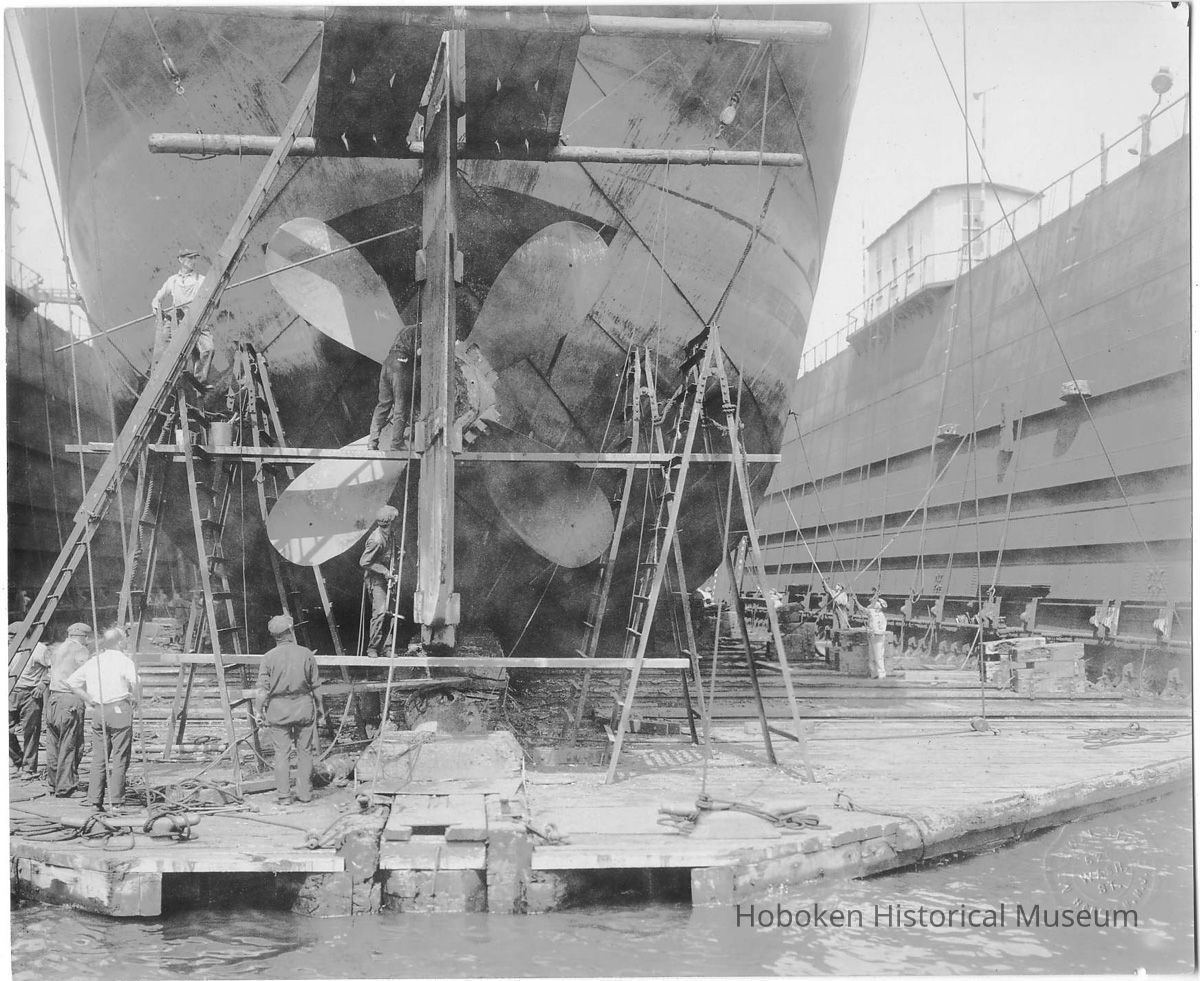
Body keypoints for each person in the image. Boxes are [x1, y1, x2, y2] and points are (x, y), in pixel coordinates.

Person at [65, 627, 140, 812]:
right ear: (120, 642)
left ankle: (95, 800)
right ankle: (116, 801)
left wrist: (89, 699)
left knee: (99, 757)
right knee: (120, 756)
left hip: (99, 711)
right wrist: (136, 699)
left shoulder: (94, 661)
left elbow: (72, 682)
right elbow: (137, 682)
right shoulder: (124, 661)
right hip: (118, 710)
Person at [254, 614, 324, 806]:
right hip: (303, 707)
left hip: (278, 710)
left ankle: (284, 796)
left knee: (281, 753)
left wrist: (258, 712)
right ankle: (304, 794)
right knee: (305, 752)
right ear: (290, 631)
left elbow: (262, 690)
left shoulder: (268, 657)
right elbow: (316, 686)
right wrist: (320, 709)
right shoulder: (306, 654)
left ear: (274, 636)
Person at [44, 623, 94, 797]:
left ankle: (53, 783)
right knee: (70, 744)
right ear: (84, 637)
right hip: (70, 700)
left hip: (53, 699)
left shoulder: (57, 649)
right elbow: (87, 673)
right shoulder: (80, 650)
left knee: (54, 744)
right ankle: (66, 787)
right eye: (88, 638)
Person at [151, 247, 213, 387]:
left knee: (208, 348)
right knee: (166, 345)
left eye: (194, 258)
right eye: (189, 258)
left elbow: (212, 298)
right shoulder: (172, 281)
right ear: (181, 260)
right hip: (178, 321)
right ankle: (161, 378)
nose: (193, 261)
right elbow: (157, 299)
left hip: (198, 318)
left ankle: (200, 379)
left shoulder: (201, 280)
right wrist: (157, 310)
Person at [8, 622, 51, 778]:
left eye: (11, 636)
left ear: (24, 634)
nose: (8, 639)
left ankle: (28, 768)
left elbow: (52, 668)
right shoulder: (8, 648)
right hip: (10, 692)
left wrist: (43, 683)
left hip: (30, 694)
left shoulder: (39, 649)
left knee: (30, 731)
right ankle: (18, 760)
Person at [367, 325, 419, 451]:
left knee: (383, 404)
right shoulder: (422, 330)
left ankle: (372, 442)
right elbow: (419, 352)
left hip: (388, 362)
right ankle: (397, 443)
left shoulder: (406, 329)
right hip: (401, 363)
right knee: (401, 404)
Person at [359, 505, 400, 657]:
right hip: (376, 580)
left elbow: (391, 550)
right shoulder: (376, 540)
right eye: (395, 519)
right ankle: (373, 648)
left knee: (390, 612)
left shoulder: (390, 533)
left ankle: (387, 647)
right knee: (380, 612)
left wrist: (398, 552)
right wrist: (384, 571)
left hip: (388, 578)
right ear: (389, 521)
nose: (397, 521)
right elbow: (364, 562)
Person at [865, 597, 889, 680]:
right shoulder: (872, 612)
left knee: (878, 657)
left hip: (878, 638)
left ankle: (882, 674)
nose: (875, 604)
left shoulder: (882, 616)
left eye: (877, 603)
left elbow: (882, 630)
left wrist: (874, 632)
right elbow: (865, 609)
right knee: (871, 657)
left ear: (880, 606)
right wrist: (855, 601)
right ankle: (874, 674)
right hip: (872, 637)